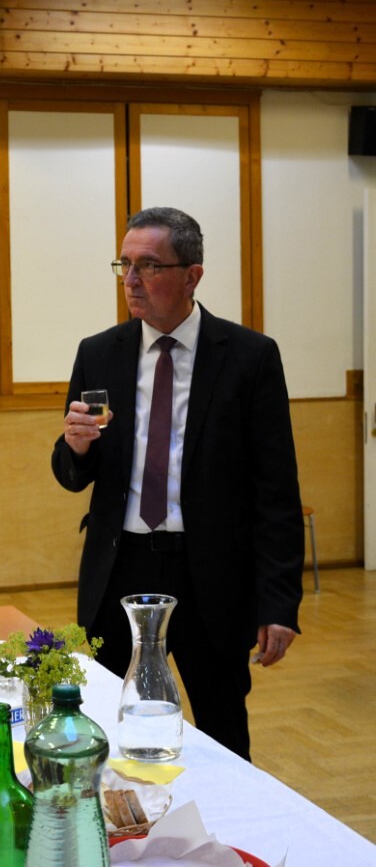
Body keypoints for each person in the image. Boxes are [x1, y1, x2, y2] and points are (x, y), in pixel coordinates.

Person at [51, 207, 303, 761]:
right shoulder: (99, 352)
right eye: (124, 264)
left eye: (148, 265)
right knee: (109, 726)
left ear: (192, 275)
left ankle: (226, 819)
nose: (131, 280)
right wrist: (76, 447)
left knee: (222, 732)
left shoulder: (250, 357)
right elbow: (72, 474)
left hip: (210, 574)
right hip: (120, 567)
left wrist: (279, 603)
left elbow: (277, 492)